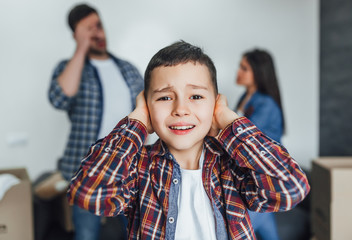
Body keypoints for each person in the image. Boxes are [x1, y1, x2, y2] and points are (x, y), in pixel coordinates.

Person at [68, 41, 310, 239]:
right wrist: (137, 122)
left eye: (195, 96)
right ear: (147, 106)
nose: (180, 109)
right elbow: (89, 193)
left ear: (215, 104)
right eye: (164, 98)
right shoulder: (139, 167)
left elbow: (292, 187)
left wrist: (228, 120)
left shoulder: (232, 167)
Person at [48, 3, 143, 240]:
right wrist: (81, 48)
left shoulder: (128, 69)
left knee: (137, 232)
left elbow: (147, 112)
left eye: (98, 25)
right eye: (88, 29)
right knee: (87, 235)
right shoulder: (69, 69)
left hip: (127, 170)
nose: (97, 33)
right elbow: (60, 98)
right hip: (86, 173)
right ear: (76, 35)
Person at [235, 49, 285, 240]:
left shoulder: (266, 105)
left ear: (258, 72)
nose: (238, 72)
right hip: (253, 178)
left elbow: (242, 136)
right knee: (266, 228)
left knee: (241, 231)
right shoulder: (245, 97)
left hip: (264, 178)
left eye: (244, 68)